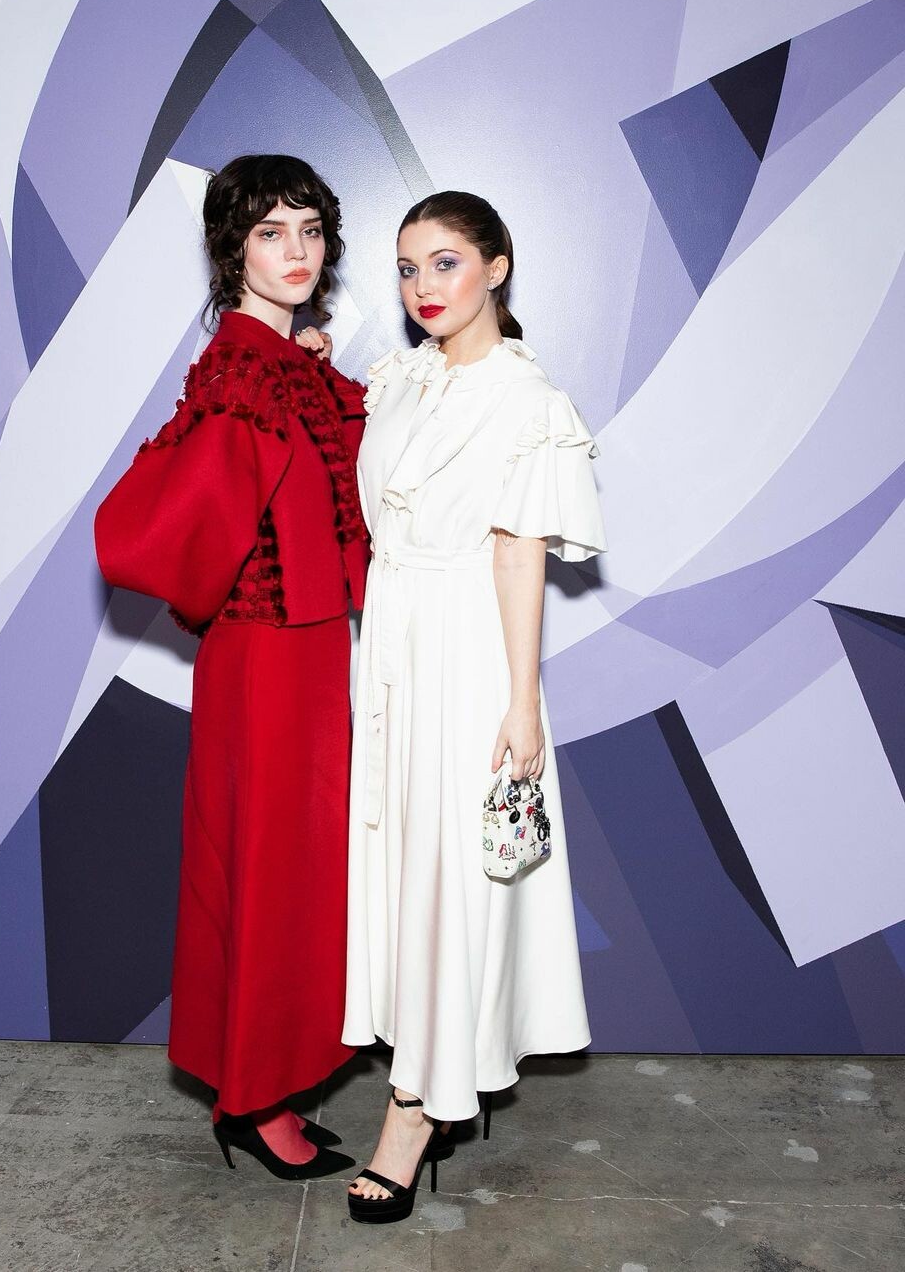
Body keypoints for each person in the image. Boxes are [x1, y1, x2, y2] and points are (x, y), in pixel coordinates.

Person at [93, 155, 369, 1179]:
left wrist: (313, 365)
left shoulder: (280, 360)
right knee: (268, 871)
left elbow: (341, 479)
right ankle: (253, 1100)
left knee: (291, 873)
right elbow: (197, 519)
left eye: (310, 231)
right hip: (266, 658)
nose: (297, 252)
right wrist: (284, 374)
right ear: (231, 249)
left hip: (307, 652)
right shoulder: (243, 368)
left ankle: (264, 1083)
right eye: (269, 233)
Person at [338, 190, 608, 1221]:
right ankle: (429, 1069)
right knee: (405, 870)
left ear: (497, 267)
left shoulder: (526, 399)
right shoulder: (400, 377)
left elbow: (517, 553)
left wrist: (520, 700)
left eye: (445, 263)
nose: (424, 288)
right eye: (408, 269)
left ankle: (416, 1111)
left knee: (455, 876)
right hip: (391, 649)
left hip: (467, 654)